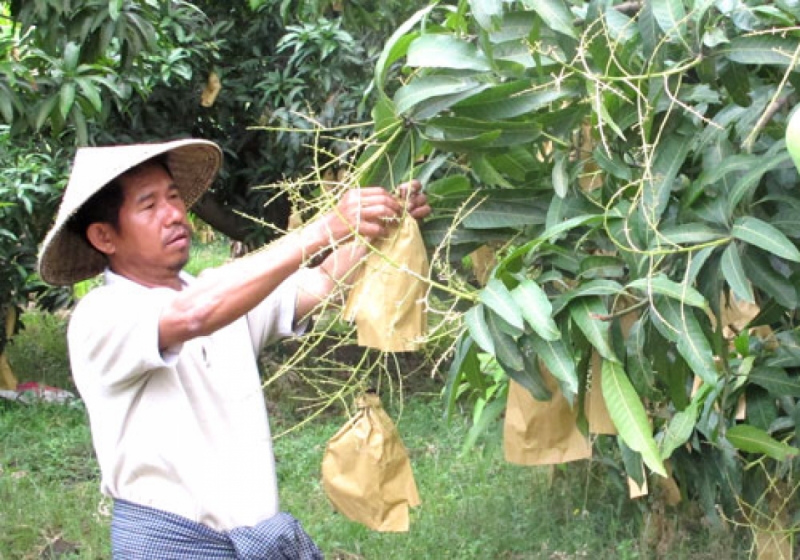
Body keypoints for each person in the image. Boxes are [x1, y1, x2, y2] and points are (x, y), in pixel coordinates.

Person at [37, 138, 431, 559]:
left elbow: (323, 283)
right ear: (104, 236)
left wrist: (382, 223)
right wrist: (321, 228)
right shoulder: (101, 316)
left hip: (250, 542)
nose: (174, 214)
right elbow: (193, 316)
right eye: (149, 206)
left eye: (174, 198)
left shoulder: (219, 295)